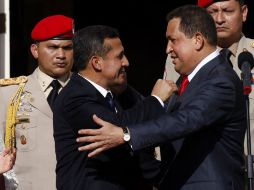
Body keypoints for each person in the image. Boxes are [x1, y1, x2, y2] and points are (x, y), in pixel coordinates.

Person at [77, 5, 246, 190]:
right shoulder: (186, 79)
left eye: (173, 40)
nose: (168, 49)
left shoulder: (221, 79)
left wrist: (126, 134)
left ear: (197, 40)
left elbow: (185, 120)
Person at [53, 25, 177, 190]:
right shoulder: (74, 97)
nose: (126, 62)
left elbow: (136, 149)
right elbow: (116, 126)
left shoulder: (116, 94)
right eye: (119, 56)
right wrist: (156, 99)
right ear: (97, 63)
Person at [164, 0, 254, 154]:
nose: (219, 19)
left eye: (227, 10)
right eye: (211, 12)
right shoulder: (179, 57)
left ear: (244, 12)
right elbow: (169, 111)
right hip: (200, 165)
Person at [0, 14, 74, 189]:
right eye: (53, 47)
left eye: (68, 48)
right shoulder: (8, 94)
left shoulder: (89, 91)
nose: (61, 55)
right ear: (35, 50)